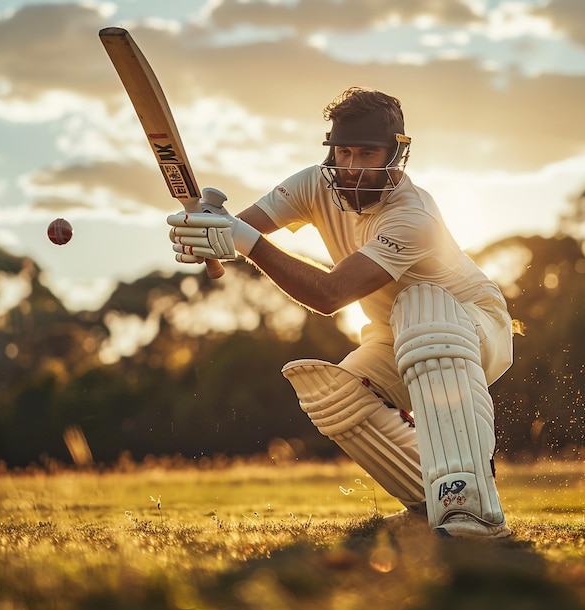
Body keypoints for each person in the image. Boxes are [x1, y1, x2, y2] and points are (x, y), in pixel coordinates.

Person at [167, 86, 514, 538]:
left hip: (472, 324)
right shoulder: (315, 181)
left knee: (421, 306)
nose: (349, 168)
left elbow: (331, 295)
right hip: (394, 335)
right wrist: (208, 229)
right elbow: (241, 229)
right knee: (334, 397)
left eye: (366, 154)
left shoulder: (413, 216)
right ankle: (432, 503)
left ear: (396, 154)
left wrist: (242, 241)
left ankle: (472, 510)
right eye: (342, 152)